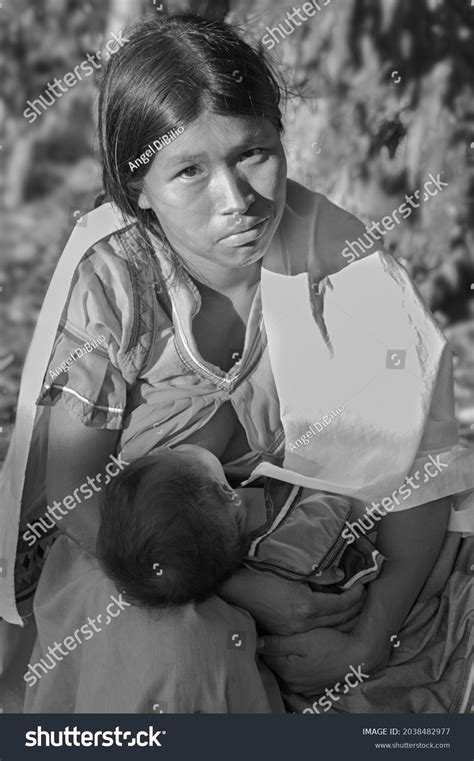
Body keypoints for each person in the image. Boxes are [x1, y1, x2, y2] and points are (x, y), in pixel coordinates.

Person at [0, 14, 472, 714]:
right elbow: (78, 497)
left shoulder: (339, 257)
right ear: (139, 191)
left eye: (253, 154)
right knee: (175, 657)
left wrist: (367, 638)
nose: (237, 201)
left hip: (309, 536)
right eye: (189, 171)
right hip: (136, 556)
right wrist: (245, 591)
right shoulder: (116, 285)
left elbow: (415, 467)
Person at [96, 444, 383, 608]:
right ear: (224, 491)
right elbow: (355, 502)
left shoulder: (230, 524)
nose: (167, 446)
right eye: (174, 453)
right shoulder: (296, 536)